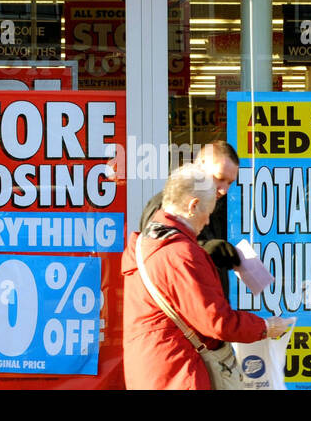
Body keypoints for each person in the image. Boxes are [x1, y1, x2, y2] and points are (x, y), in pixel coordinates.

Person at [122, 163, 293, 390]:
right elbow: (217, 322)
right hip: (181, 372)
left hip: (149, 368)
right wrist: (265, 326)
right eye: (208, 212)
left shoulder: (147, 241)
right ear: (193, 206)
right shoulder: (181, 253)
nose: (208, 222)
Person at [138, 141, 242, 291]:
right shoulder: (166, 205)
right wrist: (207, 249)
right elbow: (162, 257)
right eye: (219, 178)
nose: (224, 189)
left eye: (230, 183)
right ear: (200, 166)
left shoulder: (217, 207)